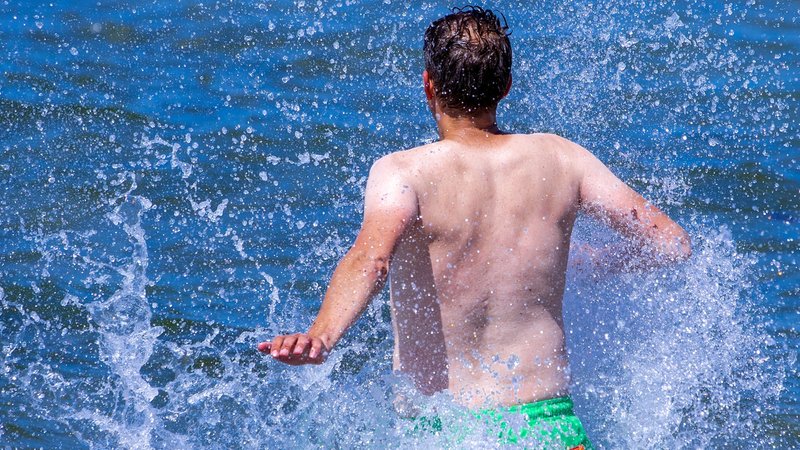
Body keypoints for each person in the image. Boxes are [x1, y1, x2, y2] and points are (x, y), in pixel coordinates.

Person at [258, 6, 691, 448]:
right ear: (505, 86)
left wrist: (321, 336)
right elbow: (671, 243)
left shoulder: (403, 173)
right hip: (551, 430)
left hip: (445, 433)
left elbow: (371, 260)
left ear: (429, 84)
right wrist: (599, 263)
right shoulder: (563, 158)